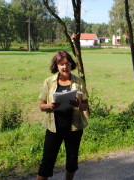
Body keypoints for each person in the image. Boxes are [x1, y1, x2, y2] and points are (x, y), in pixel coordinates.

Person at [37, 51, 89, 180]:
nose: (64, 67)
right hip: (53, 128)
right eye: (61, 64)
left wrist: (78, 104)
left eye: (67, 63)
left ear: (71, 64)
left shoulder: (79, 82)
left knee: (71, 162)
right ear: (56, 66)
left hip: (74, 128)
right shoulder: (49, 82)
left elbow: (85, 106)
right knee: (47, 163)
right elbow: (41, 106)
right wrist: (49, 106)